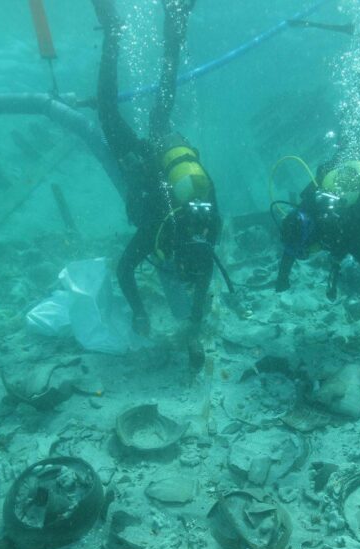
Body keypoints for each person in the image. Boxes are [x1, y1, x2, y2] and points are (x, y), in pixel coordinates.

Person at [91, 0, 222, 370]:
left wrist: (189, 318)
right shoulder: (157, 233)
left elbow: (126, 271)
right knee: (107, 109)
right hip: (146, 163)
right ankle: (115, 33)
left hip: (165, 153)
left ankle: (174, 21)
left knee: (162, 102)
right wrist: (141, 314)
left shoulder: (206, 224)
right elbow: (124, 269)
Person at [275, 158, 360, 355]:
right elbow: (292, 244)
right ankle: (338, 272)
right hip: (338, 234)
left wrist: (283, 276)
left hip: (350, 234)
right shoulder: (311, 207)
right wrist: (283, 276)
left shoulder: (357, 216)